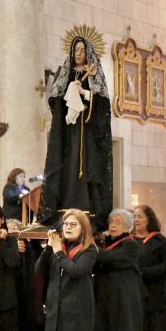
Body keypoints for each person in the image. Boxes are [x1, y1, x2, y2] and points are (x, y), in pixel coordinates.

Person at [39, 36, 113, 231]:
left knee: (86, 166)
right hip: (69, 134)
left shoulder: (94, 74)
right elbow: (55, 101)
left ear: (88, 53)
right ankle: (64, 207)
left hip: (88, 134)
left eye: (82, 51)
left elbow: (104, 106)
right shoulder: (67, 74)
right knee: (69, 165)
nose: (79, 54)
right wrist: (68, 95)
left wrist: (84, 94)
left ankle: (87, 209)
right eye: (76, 50)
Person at [91, 209, 144, 331]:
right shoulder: (106, 243)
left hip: (124, 303)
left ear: (128, 227)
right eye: (111, 221)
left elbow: (110, 259)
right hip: (104, 302)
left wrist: (92, 248)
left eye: (119, 222)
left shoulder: (131, 245)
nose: (113, 225)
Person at [9, 219, 49, 331]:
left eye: (16, 231)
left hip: (30, 303)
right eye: (9, 231)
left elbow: (38, 275)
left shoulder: (33, 251)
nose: (14, 235)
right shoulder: (6, 249)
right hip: (11, 303)